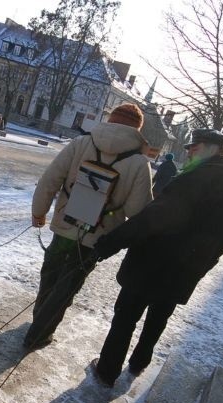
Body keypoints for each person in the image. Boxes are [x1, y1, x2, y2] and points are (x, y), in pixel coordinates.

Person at [91, 128, 223, 387]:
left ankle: (107, 371)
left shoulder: (194, 179)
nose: (189, 151)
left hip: (150, 266)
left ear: (213, 149)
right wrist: (198, 268)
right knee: (157, 321)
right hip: (182, 273)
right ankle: (139, 363)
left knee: (126, 317)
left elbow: (152, 219)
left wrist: (109, 244)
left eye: (195, 146)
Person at [23, 103, 154, 351]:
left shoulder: (80, 143)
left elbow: (49, 180)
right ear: (137, 129)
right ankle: (39, 334)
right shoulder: (139, 163)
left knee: (50, 275)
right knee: (67, 286)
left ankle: (38, 321)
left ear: (110, 120)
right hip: (96, 238)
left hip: (64, 225)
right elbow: (138, 212)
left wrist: (38, 213)